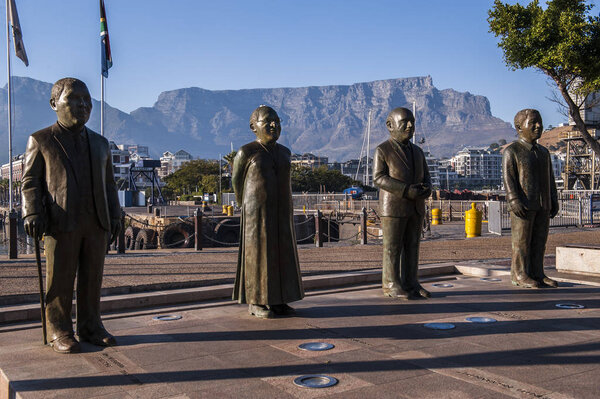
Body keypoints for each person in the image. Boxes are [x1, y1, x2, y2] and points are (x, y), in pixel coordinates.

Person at [22, 78, 121, 353]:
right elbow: (30, 181)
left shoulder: (101, 144)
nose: (83, 105)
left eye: (86, 100)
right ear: (55, 104)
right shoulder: (41, 140)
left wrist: (115, 215)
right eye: (74, 99)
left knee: (93, 277)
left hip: (96, 221)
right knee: (60, 279)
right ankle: (59, 329)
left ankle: (91, 325)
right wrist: (31, 211)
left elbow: (110, 184)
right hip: (60, 221)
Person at [232, 105, 304, 318]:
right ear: (253, 126)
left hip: (282, 210)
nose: (274, 125)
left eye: (277, 121)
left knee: (283, 254)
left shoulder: (285, 152)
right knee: (259, 255)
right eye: (268, 121)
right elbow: (237, 182)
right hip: (257, 212)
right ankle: (256, 301)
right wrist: (245, 206)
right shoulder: (246, 152)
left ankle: (280, 299)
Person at [373, 107, 432, 299]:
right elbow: (378, 178)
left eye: (412, 122)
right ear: (390, 125)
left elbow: (427, 177)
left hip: (416, 207)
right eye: (405, 122)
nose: (410, 125)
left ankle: (411, 282)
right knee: (393, 247)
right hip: (393, 207)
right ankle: (391, 284)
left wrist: (426, 190)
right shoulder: (383, 150)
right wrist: (406, 190)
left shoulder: (418, 151)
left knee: (413, 246)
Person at [503, 109, 559, 288]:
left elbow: (550, 178)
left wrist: (553, 199)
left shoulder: (543, 153)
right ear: (519, 127)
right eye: (533, 123)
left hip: (543, 204)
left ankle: (537, 272)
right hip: (523, 205)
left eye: (540, 122)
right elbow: (508, 178)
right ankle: (519, 274)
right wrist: (513, 200)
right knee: (521, 242)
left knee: (539, 241)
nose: (538, 126)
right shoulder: (512, 151)